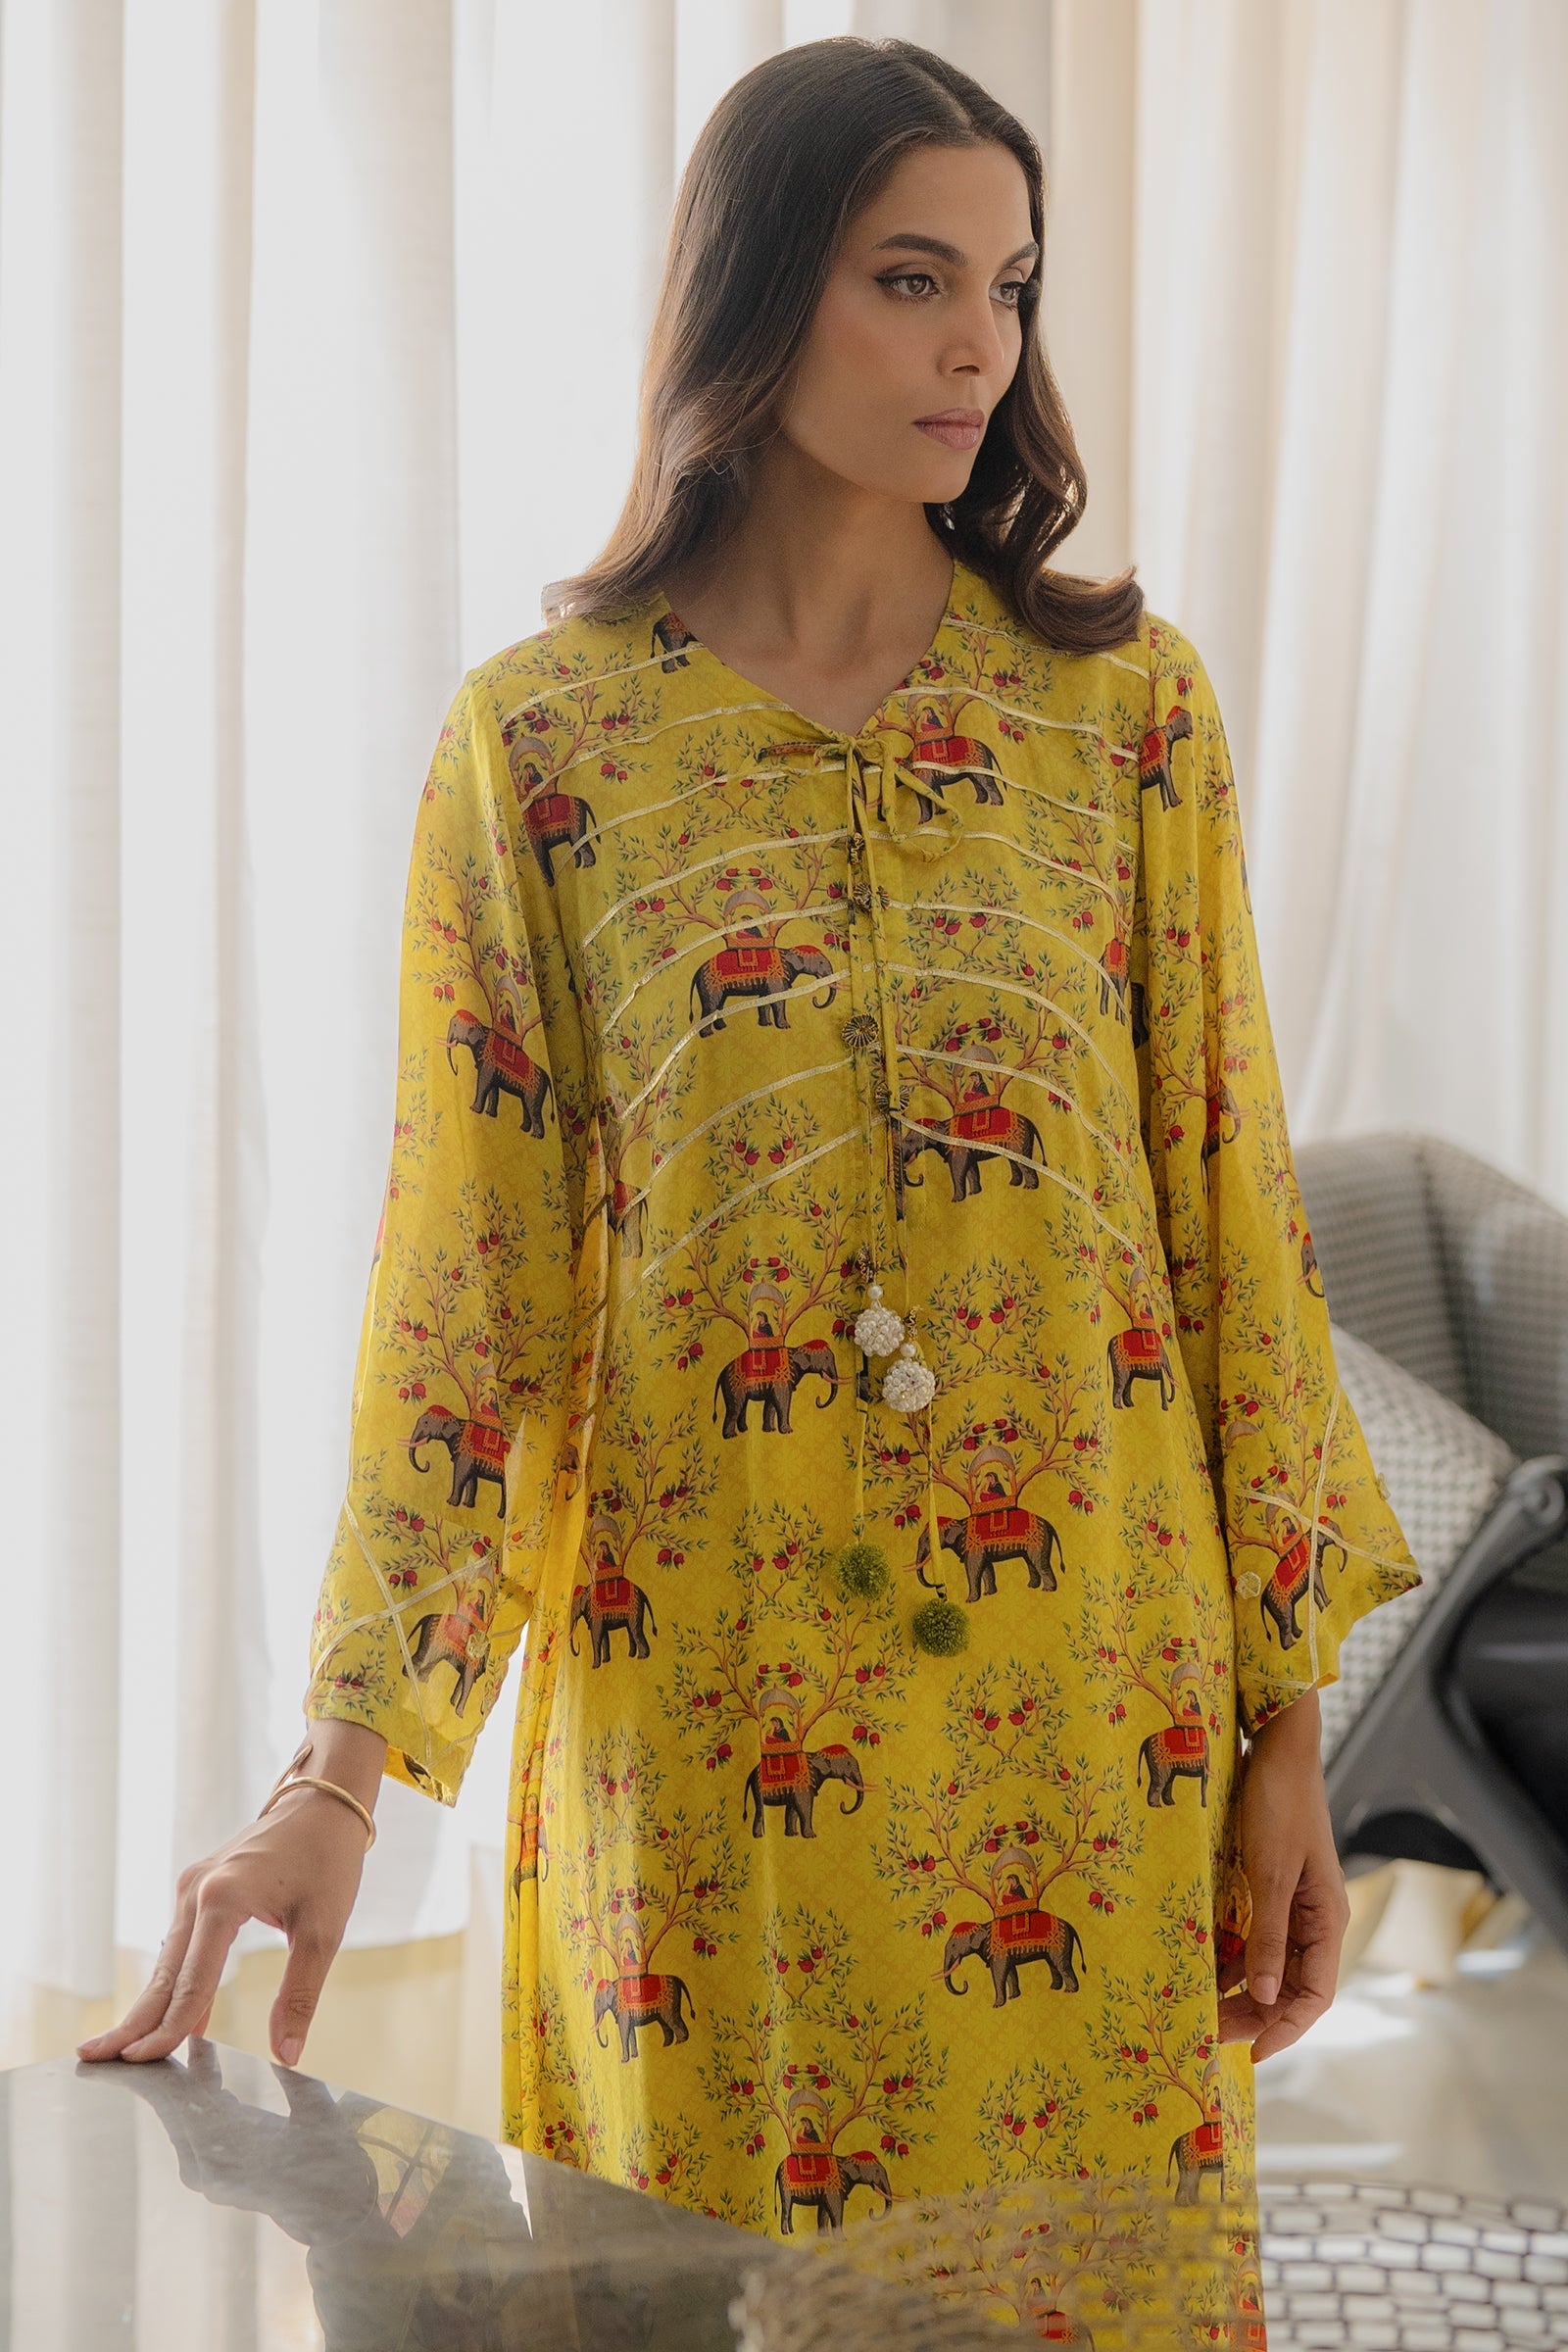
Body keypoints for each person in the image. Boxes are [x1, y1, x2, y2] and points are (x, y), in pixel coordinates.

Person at [79, 33, 1422, 2335]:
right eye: (910, 278)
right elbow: (468, 1298)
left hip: (1091, 1731)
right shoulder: (541, 744)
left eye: (1005, 283)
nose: (979, 343)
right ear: (755, 289)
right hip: (704, 1749)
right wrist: (339, 1777)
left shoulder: (1127, 717)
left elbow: (1233, 1236)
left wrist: (1289, 1742)